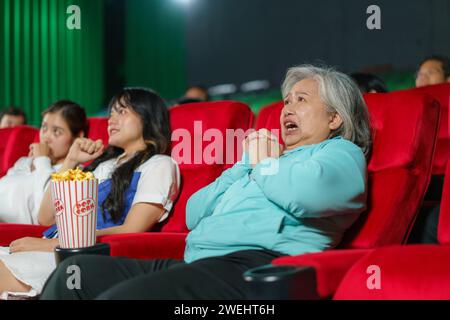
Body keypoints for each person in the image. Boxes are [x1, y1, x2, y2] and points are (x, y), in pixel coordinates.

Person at [41, 65, 371, 300]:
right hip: (196, 261)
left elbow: (304, 196)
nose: (288, 108)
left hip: (254, 266)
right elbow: (195, 213)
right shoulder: (264, 161)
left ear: (334, 117)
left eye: (302, 100)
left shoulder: (341, 153)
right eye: (287, 100)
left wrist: (264, 163)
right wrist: (245, 165)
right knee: (73, 277)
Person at [0, 88, 180, 299]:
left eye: (122, 112)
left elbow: (133, 229)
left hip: (79, 257)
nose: (111, 119)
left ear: (149, 118)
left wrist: (54, 244)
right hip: (50, 246)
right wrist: (71, 161)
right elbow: (46, 217)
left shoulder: (159, 165)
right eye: (111, 112)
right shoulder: (104, 164)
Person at [0, 100, 88, 224]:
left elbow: (44, 215)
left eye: (56, 132)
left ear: (78, 137)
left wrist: (42, 160)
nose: (46, 137)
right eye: (44, 128)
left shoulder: (75, 174)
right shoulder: (27, 161)